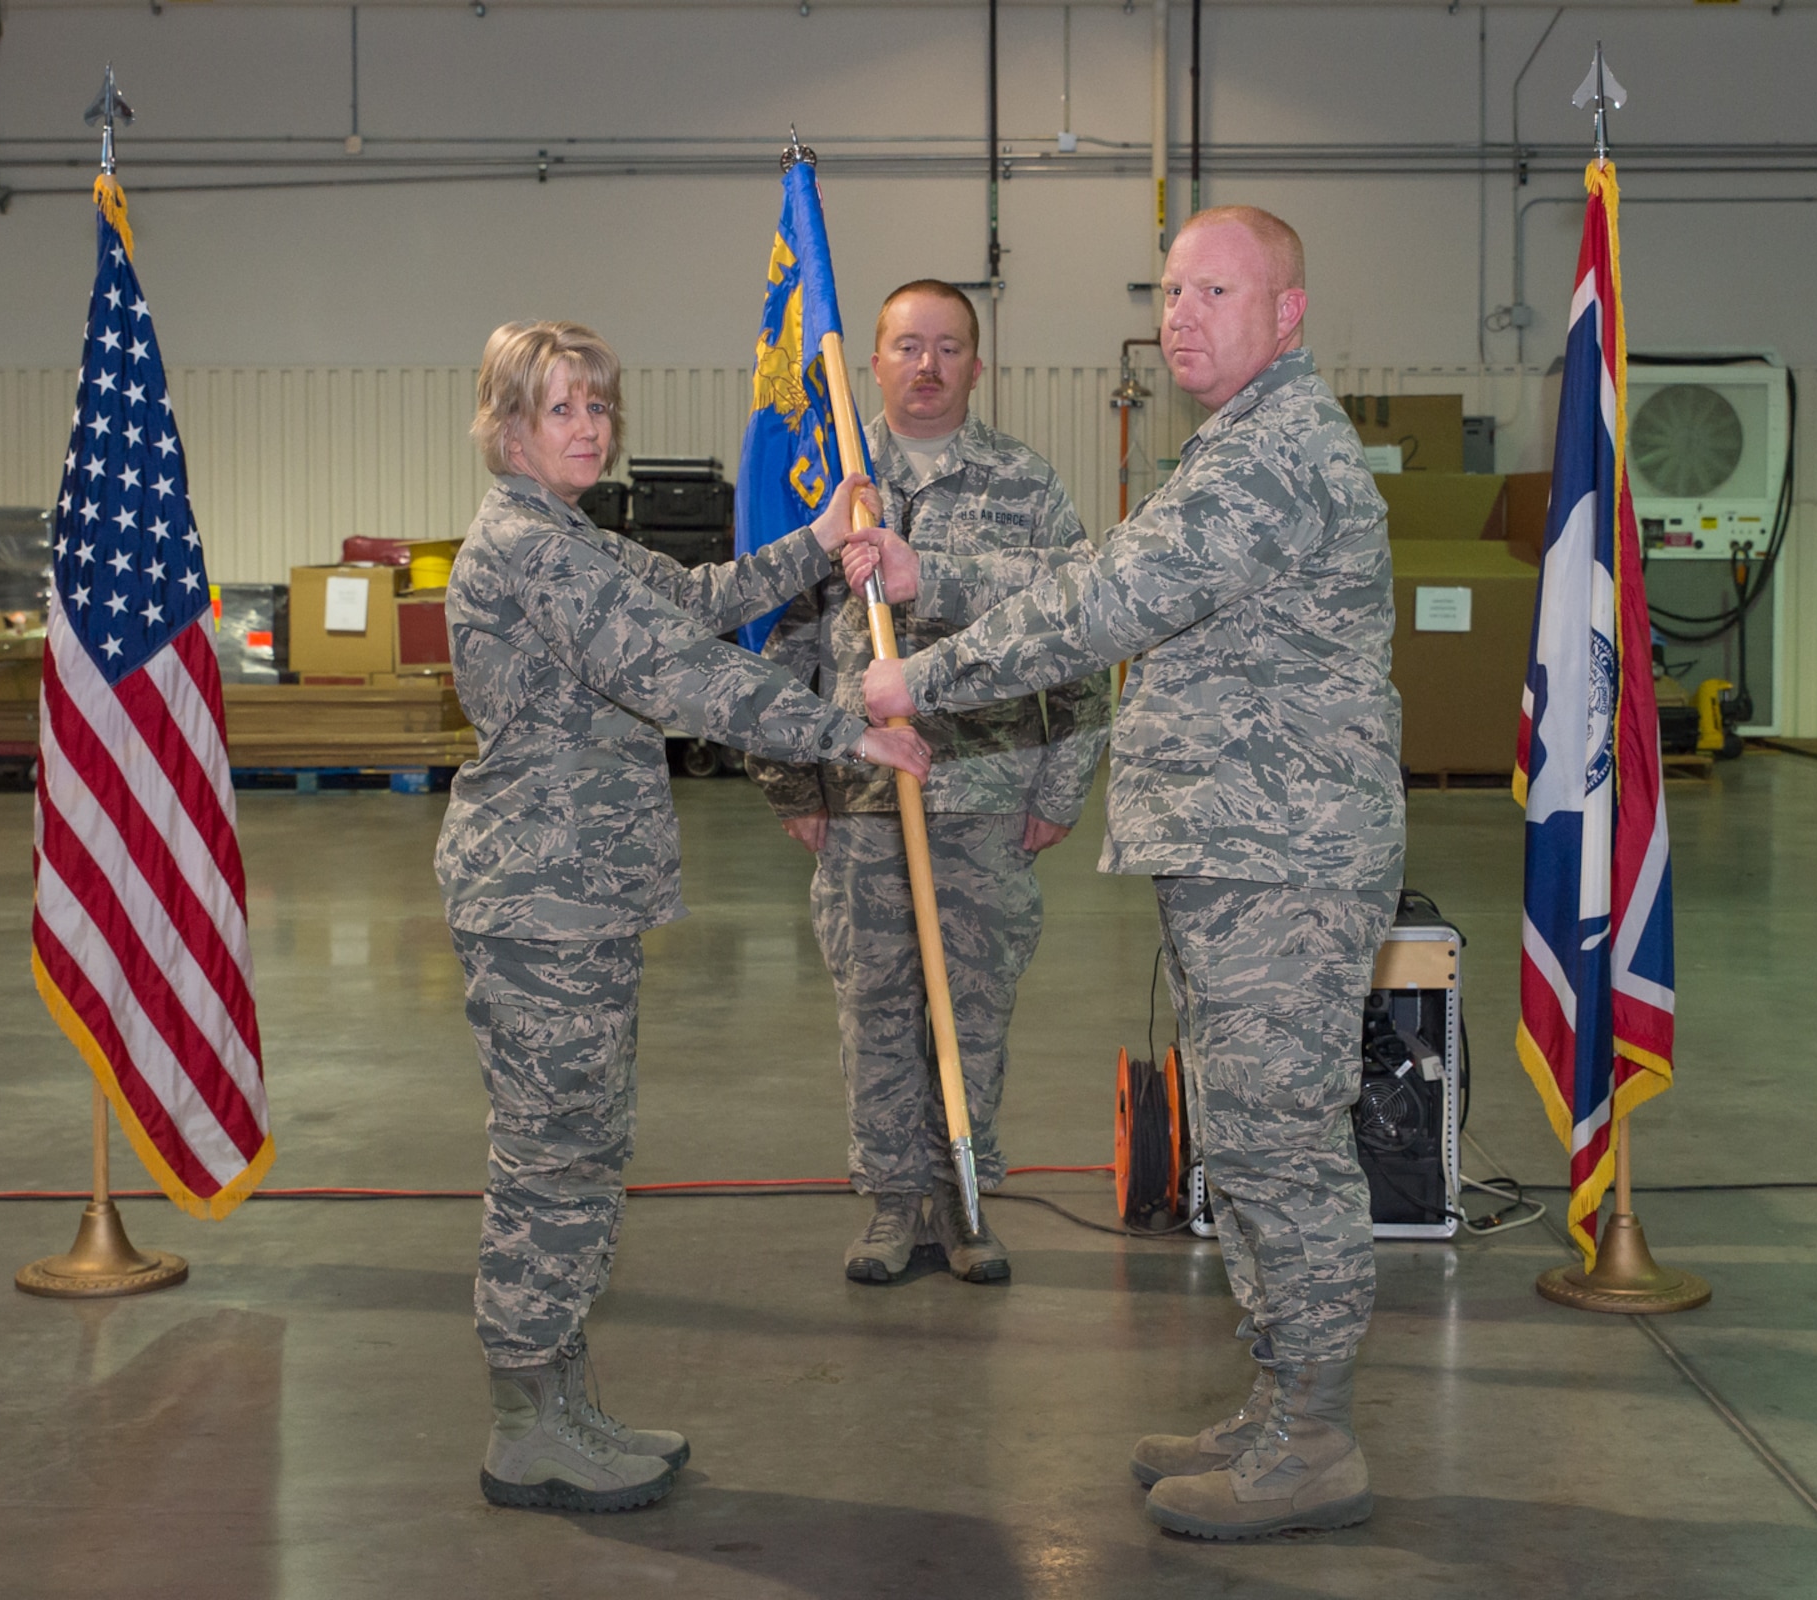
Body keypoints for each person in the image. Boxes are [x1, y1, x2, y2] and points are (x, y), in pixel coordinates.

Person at [864, 210, 1405, 1540]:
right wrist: (930, 571)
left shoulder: (1275, 454)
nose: (1182, 315)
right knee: (1247, 1141)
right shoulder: (1230, 446)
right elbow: (1096, 569)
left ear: (1288, 314)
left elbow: (1102, 606)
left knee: (1282, 1151)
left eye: (1217, 289)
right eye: (1170, 290)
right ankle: (1280, 1402)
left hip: (1282, 860)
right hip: (1240, 849)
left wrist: (917, 678)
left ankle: (1317, 1437)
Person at [436, 320, 930, 1516]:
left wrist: (814, 543)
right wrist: (843, 732)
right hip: (540, 896)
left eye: (598, 407)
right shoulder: (526, 549)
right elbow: (673, 672)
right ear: (507, 428)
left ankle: (559, 1398)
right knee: (554, 1158)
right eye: (560, 409)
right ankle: (525, 1422)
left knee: (583, 1148)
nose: (588, 428)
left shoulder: (573, 538)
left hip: (576, 892)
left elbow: (700, 600)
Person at [745, 281, 1110, 1286]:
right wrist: (792, 782)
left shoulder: (1025, 485)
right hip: (860, 800)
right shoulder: (827, 485)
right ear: (872, 361)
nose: (927, 365)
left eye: (949, 348)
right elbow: (772, 643)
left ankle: (964, 1198)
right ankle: (890, 1202)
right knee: (875, 1002)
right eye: (907, 346)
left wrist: (1058, 784)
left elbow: (1079, 633)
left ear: (976, 367)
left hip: (987, 790)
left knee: (975, 1003)